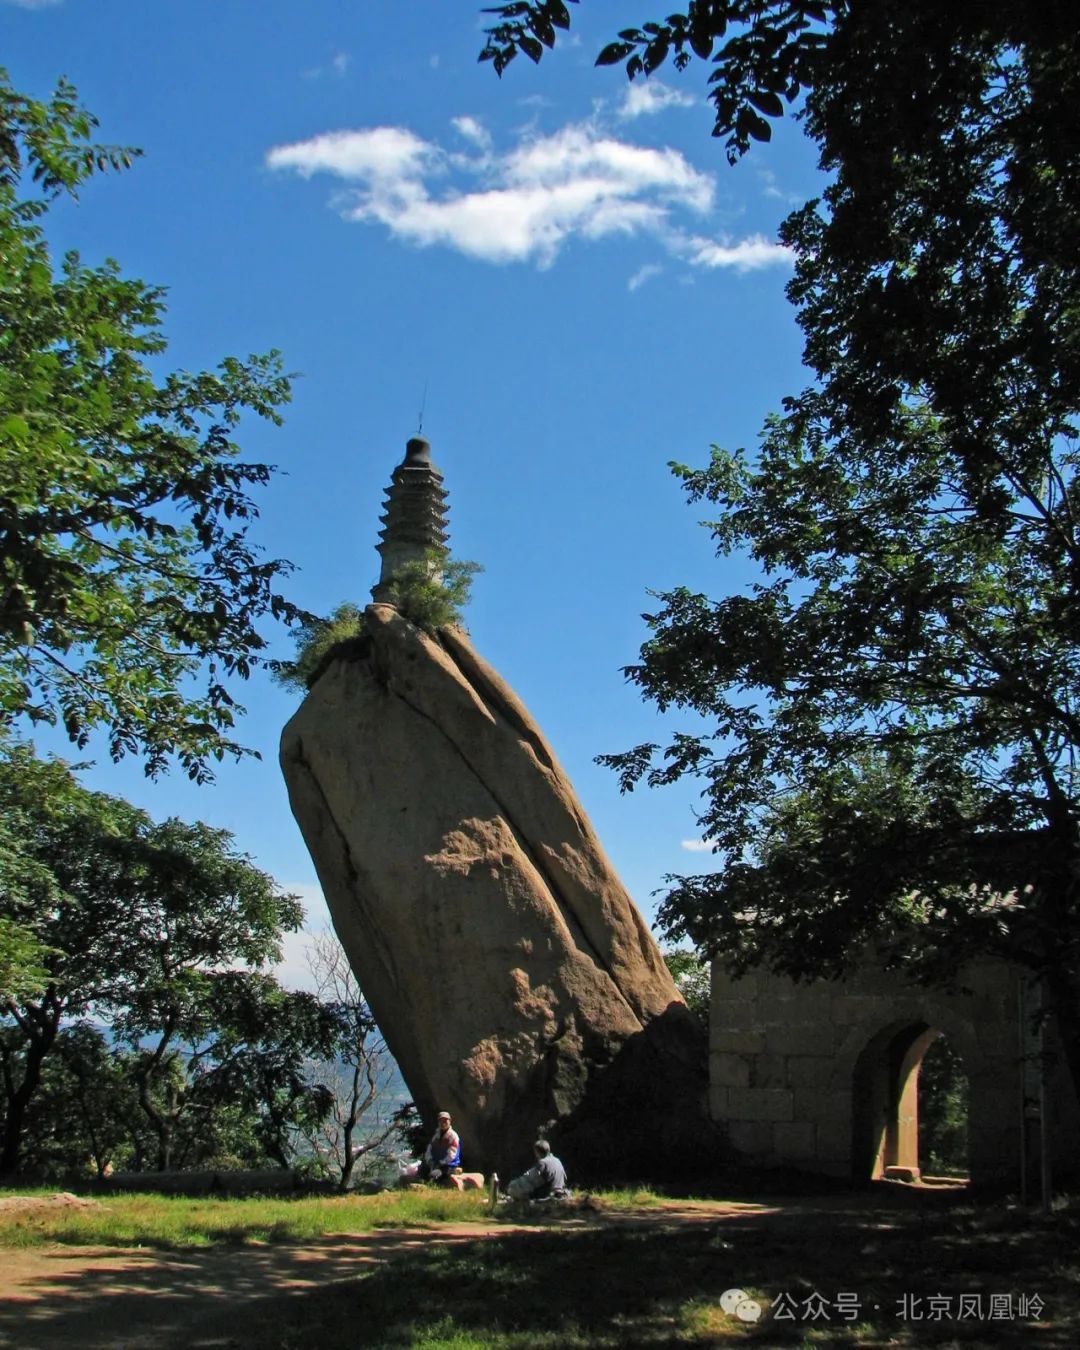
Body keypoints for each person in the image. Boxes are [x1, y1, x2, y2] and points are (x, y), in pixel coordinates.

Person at [419, 1110, 462, 1183]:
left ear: (450, 1121)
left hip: (449, 1165)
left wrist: (441, 1163)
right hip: (435, 1163)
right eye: (441, 1121)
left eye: (445, 1121)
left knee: (437, 1174)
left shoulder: (453, 1136)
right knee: (423, 1169)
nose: (443, 1123)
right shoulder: (436, 1136)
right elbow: (429, 1149)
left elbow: (452, 1155)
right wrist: (429, 1160)